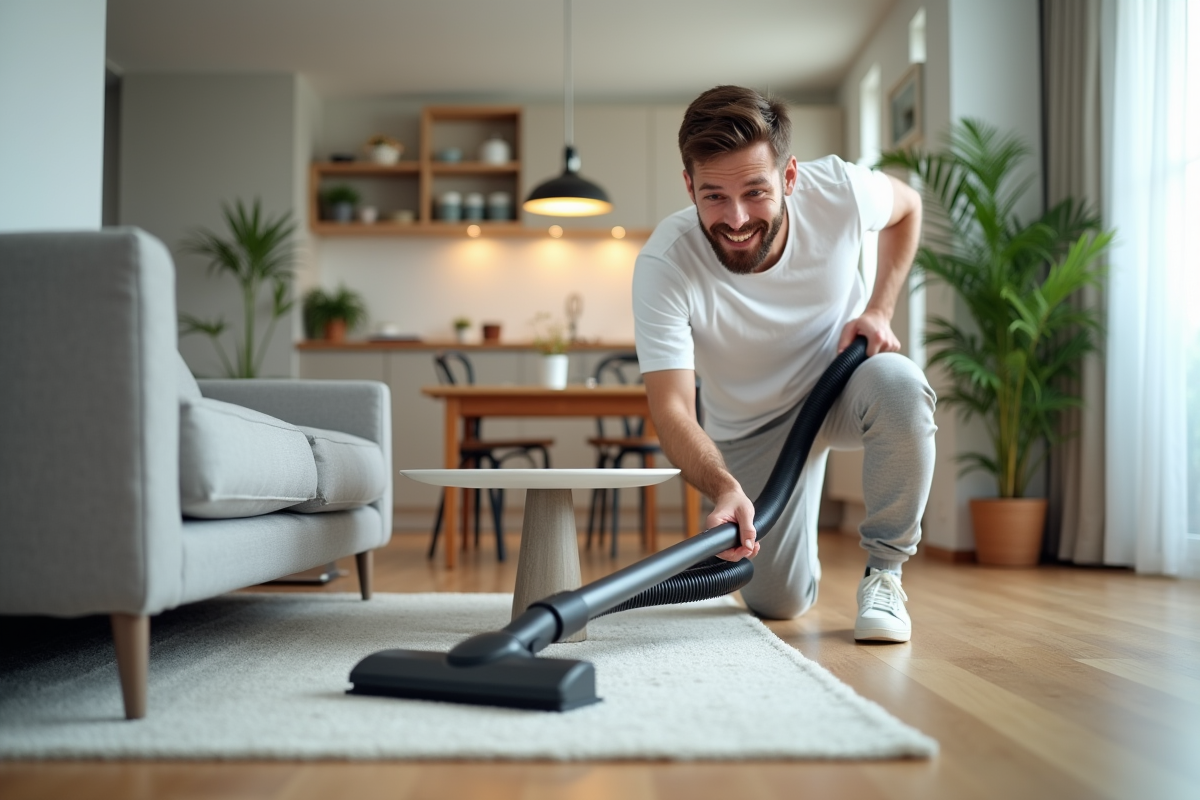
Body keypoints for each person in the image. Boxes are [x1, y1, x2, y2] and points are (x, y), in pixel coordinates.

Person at [632, 85, 936, 642]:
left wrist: (880, 309)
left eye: (755, 190)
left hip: (842, 383)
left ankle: (886, 574)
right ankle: (797, 560)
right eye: (714, 197)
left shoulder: (839, 189)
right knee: (780, 603)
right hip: (753, 428)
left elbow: (908, 207)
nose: (738, 217)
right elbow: (672, 408)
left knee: (901, 384)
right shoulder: (665, 262)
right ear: (689, 187)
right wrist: (724, 486)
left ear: (789, 177)